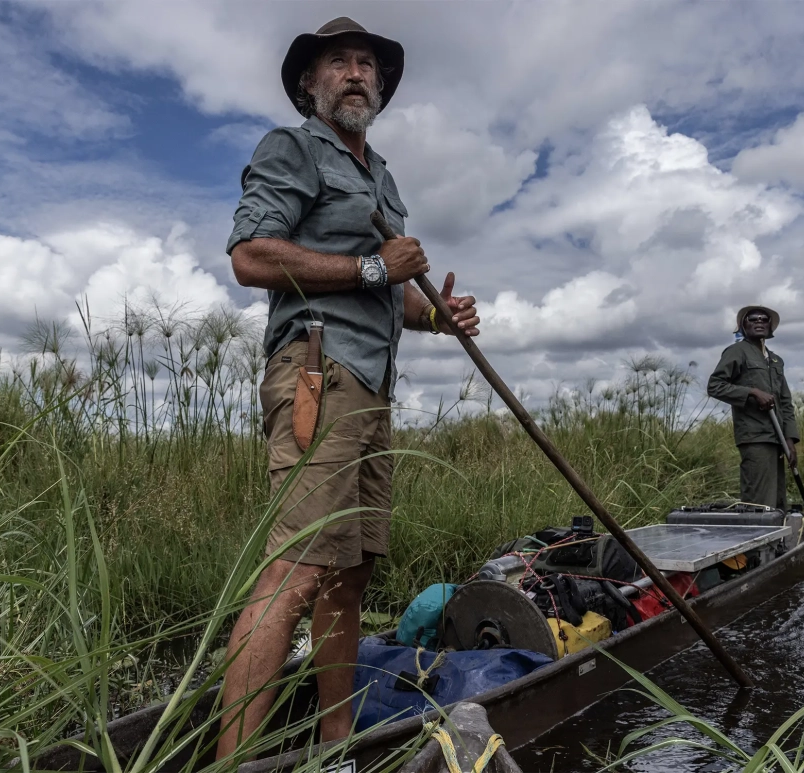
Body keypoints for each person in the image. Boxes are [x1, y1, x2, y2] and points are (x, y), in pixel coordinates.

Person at [217, 17, 480, 758]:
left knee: (349, 575)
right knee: (297, 569)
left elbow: (391, 294)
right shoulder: (294, 148)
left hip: (370, 386)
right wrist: (373, 267)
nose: (356, 72)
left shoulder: (382, 177)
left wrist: (440, 318)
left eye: (367, 63)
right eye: (339, 63)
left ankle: (337, 742)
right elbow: (251, 256)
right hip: (318, 375)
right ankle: (229, 759)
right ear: (310, 83)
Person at [707, 305, 799, 511]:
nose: (759, 322)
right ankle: (758, 541)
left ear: (770, 327)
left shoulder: (776, 360)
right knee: (759, 501)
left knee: (778, 500)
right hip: (755, 436)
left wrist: (790, 440)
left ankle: (778, 541)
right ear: (743, 325)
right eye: (753, 319)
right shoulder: (737, 352)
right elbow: (715, 386)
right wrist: (752, 392)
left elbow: (785, 402)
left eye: (764, 319)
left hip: (777, 439)